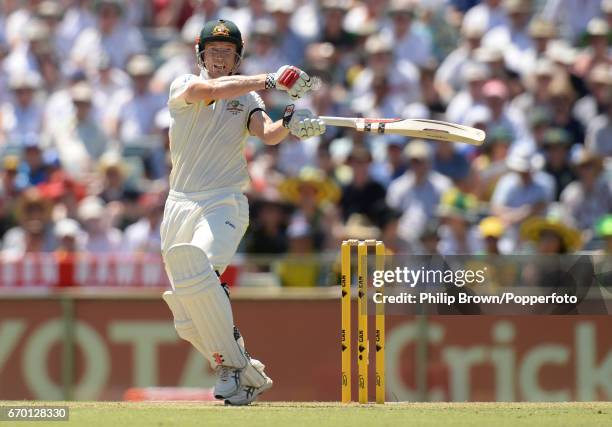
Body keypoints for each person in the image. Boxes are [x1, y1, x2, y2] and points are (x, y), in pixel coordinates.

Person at [159, 19, 324, 406]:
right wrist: (269, 80)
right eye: (213, 51)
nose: (219, 58)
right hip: (179, 202)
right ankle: (245, 371)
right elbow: (208, 90)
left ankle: (233, 371)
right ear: (201, 54)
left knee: (196, 263)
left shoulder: (247, 99)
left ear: (237, 57)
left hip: (224, 201)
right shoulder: (183, 84)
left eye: (227, 52)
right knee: (185, 317)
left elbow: (266, 133)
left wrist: (291, 122)